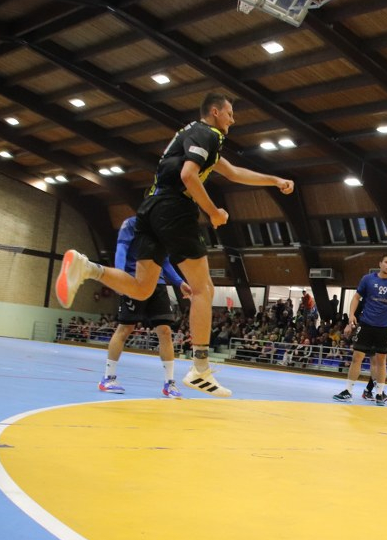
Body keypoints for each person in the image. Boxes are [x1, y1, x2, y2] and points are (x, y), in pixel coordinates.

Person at [53, 92, 294, 397]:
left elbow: (234, 173)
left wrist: (274, 180)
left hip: (150, 208)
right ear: (215, 112)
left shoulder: (192, 136)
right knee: (203, 289)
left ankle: (87, 268)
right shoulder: (208, 133)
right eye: (230, 113)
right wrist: (213, 212)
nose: (233, 120)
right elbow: (189, 175)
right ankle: (200, 369)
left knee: (142, 287)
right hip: (174, 208)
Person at [98, 216, 190, 398]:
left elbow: (164, 261)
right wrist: (119, 278)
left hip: (158, 285)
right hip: (134, 281)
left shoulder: (161, 229)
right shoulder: (131, 224)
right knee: (125, 328)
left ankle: (169, 383)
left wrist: (179, 282)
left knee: (165, 331)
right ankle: (108, 378)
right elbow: (121, 249)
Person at [333, 253, 387, 405]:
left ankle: (379, 394)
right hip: (366, 324)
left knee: (381, 361)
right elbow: (356, 297)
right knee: (357, 358)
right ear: (380, 264)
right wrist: (351, 315)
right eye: (386, 262)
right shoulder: (368, 279)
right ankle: (348, 391)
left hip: (384, 327)